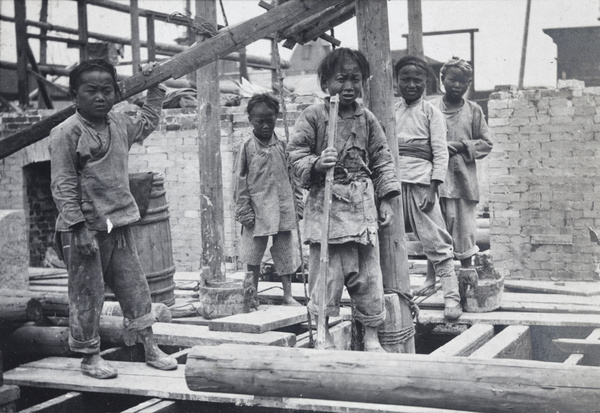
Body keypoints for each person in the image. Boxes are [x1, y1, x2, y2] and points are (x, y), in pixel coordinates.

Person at [50, 59, 177, 379]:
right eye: (91, 91)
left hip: (118, 223)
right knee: (87, 293)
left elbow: (147, 120)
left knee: (136, 287)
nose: (100, 97)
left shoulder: (119, 123)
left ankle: (148, 345)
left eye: (107, 90)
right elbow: (62, 183)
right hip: (85, 228)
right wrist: (77, 228)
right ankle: (89, 356)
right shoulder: (66, 132)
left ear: (116, 93)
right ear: (74, 95)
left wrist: (155, 88)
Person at [287, 48, 401, 351]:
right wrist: (316, 163)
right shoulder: (312, 115)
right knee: (326, 278)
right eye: (341, 79)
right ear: (326, 83)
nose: (349, 86)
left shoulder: (368, 119)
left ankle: (372, 335)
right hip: (326, 206)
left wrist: (386, 200)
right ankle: (322, 332)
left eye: (355, 79)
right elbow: (294, 154)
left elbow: (382, 159)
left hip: (361, 207)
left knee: (368, 278)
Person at [394, 55, 462, 320]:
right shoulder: (391, 111)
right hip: (394, 185)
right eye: (405, 79)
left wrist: (434, 188)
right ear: (396, 81)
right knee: (388, 240)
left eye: (417, 80)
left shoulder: (431, 112)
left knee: (436, 241)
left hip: (423, 185)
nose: (411, 85)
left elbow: (440, 152)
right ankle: (394, 293)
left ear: (426, 82)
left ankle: (452, 297)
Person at [234, 93, 303, 307]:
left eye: (270, 120)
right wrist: (244, 210)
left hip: (282, 206)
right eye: (260, 121)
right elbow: (239, 180)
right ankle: (251, 296)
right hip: (256, 210)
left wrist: (297, 204)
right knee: (252, 255)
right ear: (250, 120)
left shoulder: (283, 144)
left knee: (285, 254)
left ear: (277, 117)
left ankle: (288, 295)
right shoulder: (246, 146)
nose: (265, 125)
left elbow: (295, 177)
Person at [430, 58, 493, 269]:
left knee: (465, 230)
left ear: (469, 83)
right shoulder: (430, 108)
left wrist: (460, 145)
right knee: (434, 230)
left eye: (463, 81)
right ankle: (432, 278)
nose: (457, 85)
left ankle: (467, 273)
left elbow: (486, 144)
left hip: (463, 181)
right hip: (434, 181)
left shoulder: (474, 110)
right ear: (442, 79)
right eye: (452, 79)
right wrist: (438, 147)